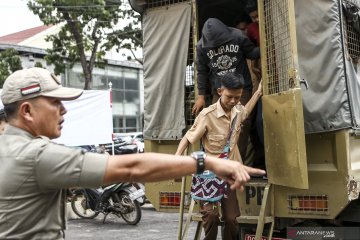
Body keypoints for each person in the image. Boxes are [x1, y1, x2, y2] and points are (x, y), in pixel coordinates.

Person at [0, 67, 265, 239]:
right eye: (55, 102)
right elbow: (131, 168)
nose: (64, 110)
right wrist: (205, 161)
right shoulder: (36, 155)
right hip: (210, 177)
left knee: (231, 219)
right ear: (26, 111)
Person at [176, 72, 263, 240]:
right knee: (212, 217)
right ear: (219, 91)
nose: (233, 101)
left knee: (231, 219)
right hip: (209, 176)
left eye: (237, 98)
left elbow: (245, 112)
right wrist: (176, 161)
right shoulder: (207, 115)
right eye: (229, 97)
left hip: (229, 176)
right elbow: (187, 138)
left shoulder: (237, 111)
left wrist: (258, 92)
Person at [192, 17, 260, 168]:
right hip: (220, 91)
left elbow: (252, 53)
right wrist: (201, 96)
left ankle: (236, 166)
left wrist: (264, 47)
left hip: (241, 89)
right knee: (217, 126)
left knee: (240, 124)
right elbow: (201, 71)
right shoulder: (201, 46)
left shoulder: (237, 36)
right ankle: (219, 165)